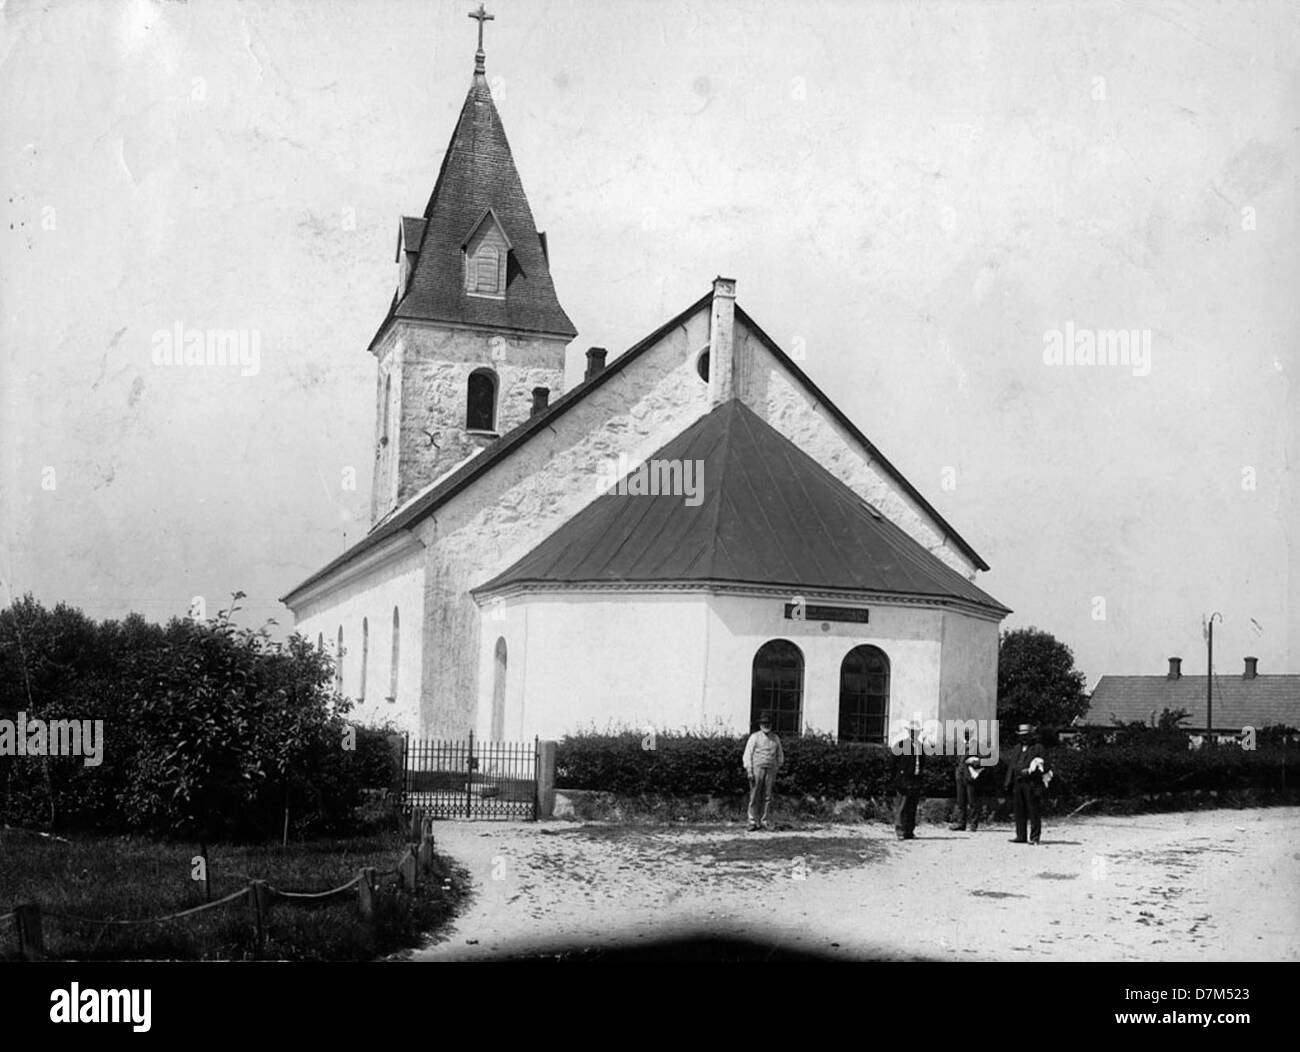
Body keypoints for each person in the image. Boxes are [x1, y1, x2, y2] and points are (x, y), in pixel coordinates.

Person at [1002, 723, 1052, 845]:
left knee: (1033, 810)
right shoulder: (1017, 748)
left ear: (1031, 735)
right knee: (1019, 810)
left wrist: (1031, 771)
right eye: (1021, 735)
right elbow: (1011, 766)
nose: (1023, 738)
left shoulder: (1038, 748)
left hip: (1031, 783)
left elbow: (1046, 766)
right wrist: (1007, 782)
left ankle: (1034, 837)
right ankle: (1021, 836)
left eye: (1026, 735)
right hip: (1018, 783)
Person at [742, 711, 784, 831]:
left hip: (770, 769)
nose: (766, 725)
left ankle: (764, 821)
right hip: (757, 769)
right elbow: (747, 754)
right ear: (760, 725)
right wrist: (749, 770)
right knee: (754, 796)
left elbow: (780, 754)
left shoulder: (775, 738)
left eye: (768, 723)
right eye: (764, 723)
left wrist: (777, 766)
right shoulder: (754, 737)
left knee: (767, 796)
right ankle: (752, 821)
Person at [890, 719, 926, 840]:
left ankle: (909, 831)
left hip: (915, 779)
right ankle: (900, 830)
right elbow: (893, 762)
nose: (914, 734)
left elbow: (922, 762)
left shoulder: (920, 746)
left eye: (916, 732)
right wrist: (897, 777)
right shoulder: (901, 744)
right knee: (902, 805)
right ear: (909, 732)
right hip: (904, 779)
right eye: (912, 732)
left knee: (912, 806)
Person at [950, 754, 984, 831]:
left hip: (970, 776)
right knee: (961, 801)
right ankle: (961, 823)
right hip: (960, 775)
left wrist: (974, 763)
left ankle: (973, 824)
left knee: (972, 801)